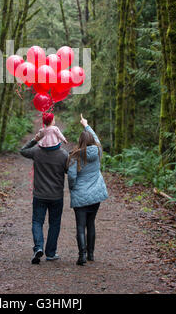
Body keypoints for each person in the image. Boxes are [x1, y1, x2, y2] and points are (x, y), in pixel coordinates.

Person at [20, 113, 68, 264]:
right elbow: (69, 171)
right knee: (54, 223)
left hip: (39, 194)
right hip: (56, 196)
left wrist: (35, 139)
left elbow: (23, 150)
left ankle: (38, 247)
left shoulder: (36, 152)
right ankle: (51, 253)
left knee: (37, 222)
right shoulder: (63, 155)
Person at [67, 114, 108, 266]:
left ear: (80, 141)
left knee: (80, 226)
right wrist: (86, 125)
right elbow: (97, 139)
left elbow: (71, 178)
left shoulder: (74, 157)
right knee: (91, 224)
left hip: (80, 195)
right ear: (91, 140)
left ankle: (82, 255)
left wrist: (73, 189)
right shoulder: (98, 151)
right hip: (95, 195)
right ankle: (91, 254)